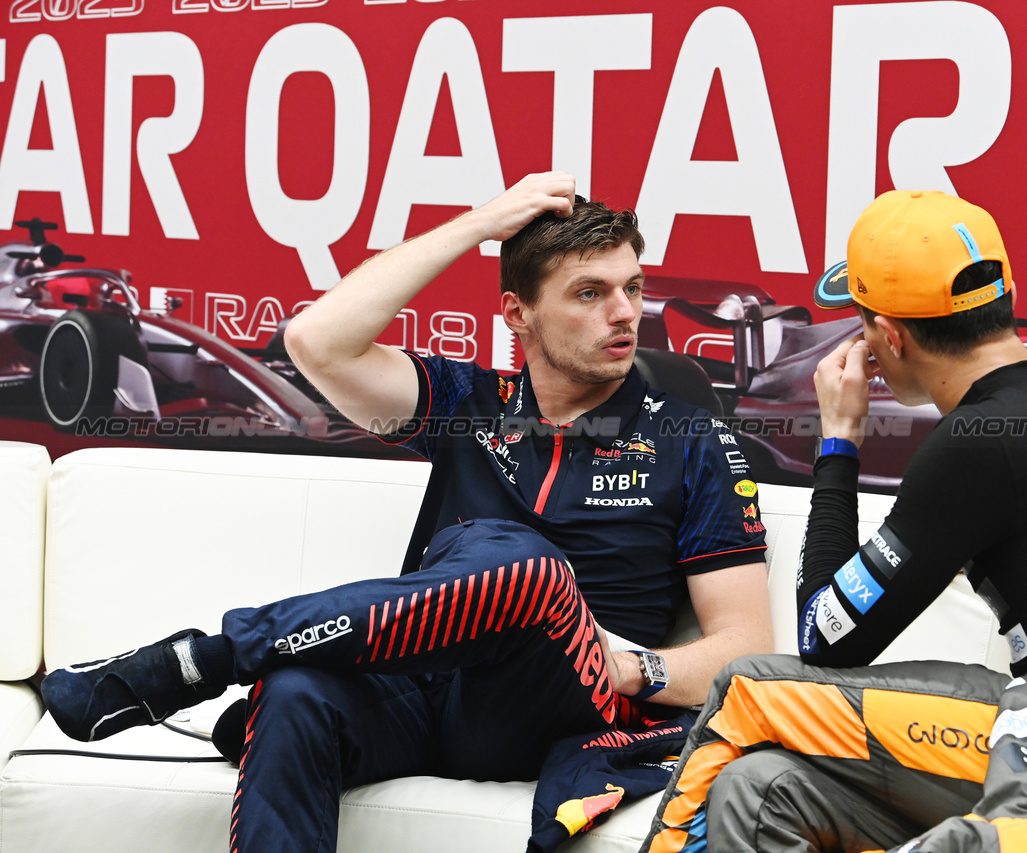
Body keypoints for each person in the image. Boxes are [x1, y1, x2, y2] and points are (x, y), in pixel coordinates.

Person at [40, 172, 772, 853]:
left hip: (553, 704)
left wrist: (629, 665)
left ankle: (208, 656)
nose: (624, 313)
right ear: (517, 313)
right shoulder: (466, 403)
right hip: (423, 693)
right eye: (590, 293)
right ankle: (228, 660)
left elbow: (746, 646)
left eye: (632, 288)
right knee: (296, 690)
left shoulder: (690, 438)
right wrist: (480, 224)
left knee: (527, 563)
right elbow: (313, 341)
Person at [642, 189, 1027, 853]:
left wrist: (838, 441)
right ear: (1003, 293)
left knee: (744, 688)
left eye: (863, 321)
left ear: (888, 337)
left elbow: (824, 636)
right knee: (759, 788)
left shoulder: (980, 442)